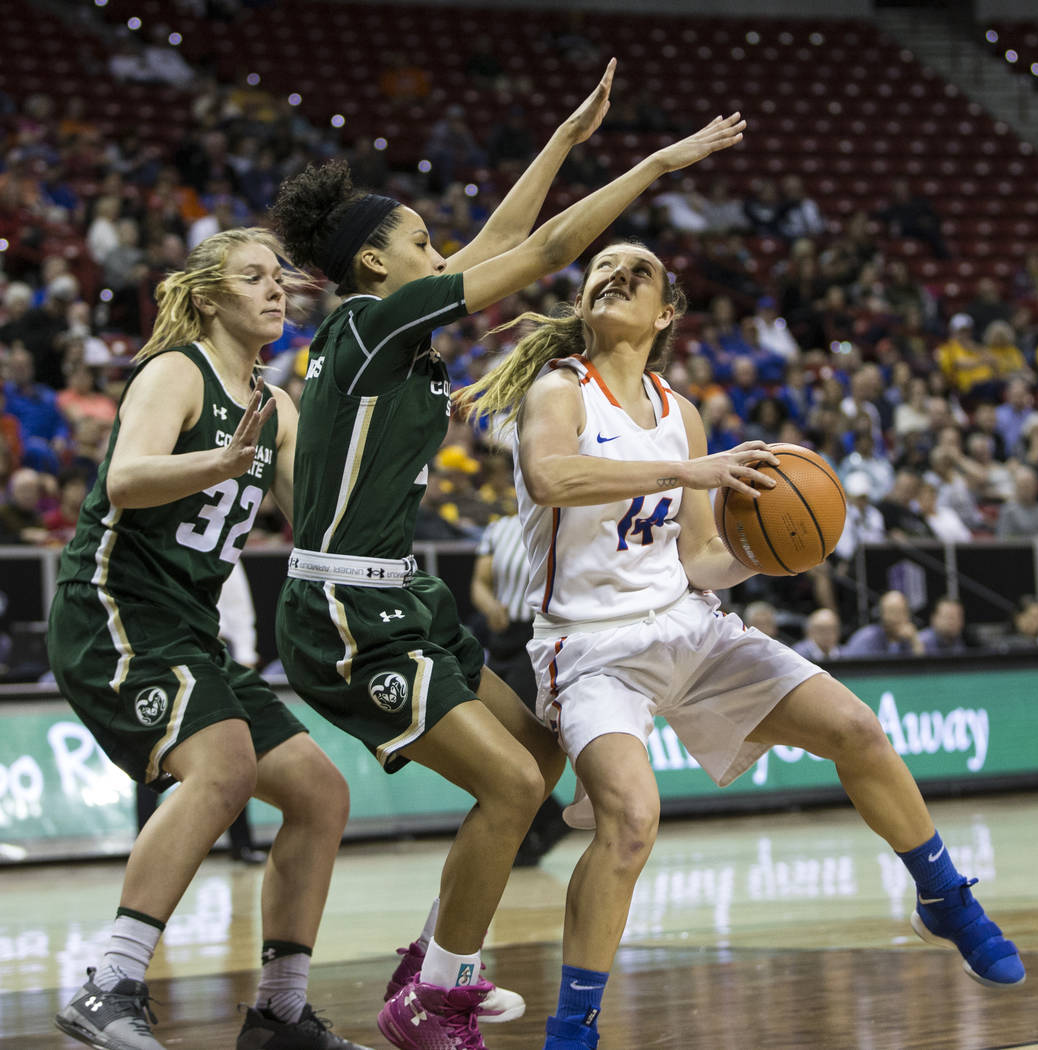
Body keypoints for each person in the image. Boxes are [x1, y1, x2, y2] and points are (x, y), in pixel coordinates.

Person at [268, 59, 749, 1049]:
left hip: (400, 596)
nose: (442, 252)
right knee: (513, 788)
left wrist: (567, 139)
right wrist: (655, 164)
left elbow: (500, 243)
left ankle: (431, 959)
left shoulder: (391, 325)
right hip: (344, 607)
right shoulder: (370, 323)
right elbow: (545, 251)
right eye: (421, 241)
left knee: (538, 753)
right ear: (374, 264)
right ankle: (435, 999)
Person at [459, 241, 1024, 1050]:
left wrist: (768, 552)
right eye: (603, 268)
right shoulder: (561, 390)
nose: (616, 275)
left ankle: (944, 897)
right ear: (581, 300)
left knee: (856, 729)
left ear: (666, 313)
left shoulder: (680, 413)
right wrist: (688, 475)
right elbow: (553, 478)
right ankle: (573, 1029)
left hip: (690, 625)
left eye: (638, 271)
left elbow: (696, 556)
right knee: (631, 821)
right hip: (590, 647)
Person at [47, 227, 375, 1050]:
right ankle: (110, 984)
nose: (277, 289)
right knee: (224, 766)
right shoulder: (176, 371)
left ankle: (281, 1014)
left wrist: (385, 448)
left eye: (280, 277)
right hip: (113, 606)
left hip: (190, 628)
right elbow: (126, 478)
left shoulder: (278, 406)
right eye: (254, 277)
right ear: (207, 296)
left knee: (320, 794)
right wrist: (220, 464)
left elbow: (318, 525)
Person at [471, 511, 570, 868]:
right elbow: (480, 582)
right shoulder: (498, 528)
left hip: (541, 636)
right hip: (503, 636)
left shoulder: (565, 521)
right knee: (494, 738)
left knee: (517, 736)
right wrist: (488, 605)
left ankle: (535, 824)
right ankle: (543, 820)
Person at [842, 589, 925, 657]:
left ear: (907, 614)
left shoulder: (909, 639)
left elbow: (922, 669)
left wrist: (915, 642)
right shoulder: (866, 639)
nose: (891, 618)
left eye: (897, 612)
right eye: (888, 612)